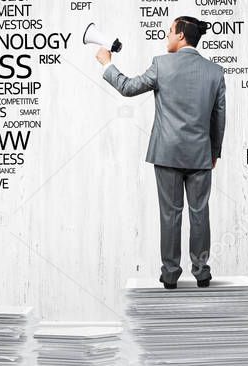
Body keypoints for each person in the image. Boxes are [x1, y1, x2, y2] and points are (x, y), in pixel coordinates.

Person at [95, 16, 226, 289]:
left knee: (170, 214)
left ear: (180, 35)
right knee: (200, 213)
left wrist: (107, 64)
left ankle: (170, 275)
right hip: (201, 154)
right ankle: (201, 272)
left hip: (167, 153)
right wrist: (214, 151)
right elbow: (219, 117)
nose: (166, 37)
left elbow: (128, 88)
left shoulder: (161, 65)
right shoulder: (215, 71)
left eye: (169, 32)